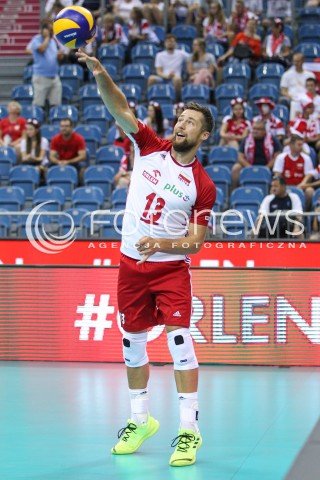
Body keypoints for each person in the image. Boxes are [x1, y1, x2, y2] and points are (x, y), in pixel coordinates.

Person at [77, 48, 216, 467]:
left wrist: (161, 245)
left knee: (179, 341)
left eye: (191, 122)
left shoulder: (202, 185)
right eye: (180, 119)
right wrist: (101, 73)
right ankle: (141, 419)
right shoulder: (150, 146)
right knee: (131, 345)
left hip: (170, 270)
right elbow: (118, 106)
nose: (181, 125)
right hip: (129, 266)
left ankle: (189, 431)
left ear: (203, 136)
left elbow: (195, 243)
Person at [232, 119, 282, 189]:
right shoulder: (246, 139)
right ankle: (235, 191)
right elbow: (240, 157)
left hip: (268, 166)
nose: (255, 131)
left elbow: (277, 157)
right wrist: (249, 167)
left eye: (258, 129)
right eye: (254, 128)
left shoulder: (273, 140)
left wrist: (266, 167)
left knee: (279, 170)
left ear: (264, 131)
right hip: (249, 164)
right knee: (236, 168)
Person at [273, 134, 314, 208]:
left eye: (302, 145)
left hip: (301, 187)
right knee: (275, 188)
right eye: (299, 145)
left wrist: (302, 184)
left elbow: (309, 176)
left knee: (310, 191)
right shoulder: (281, 157)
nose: (301, 147)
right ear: (291, 145)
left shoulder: (306, 158)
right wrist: (283, 187)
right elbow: (277, 176)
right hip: (285, 187)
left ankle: (305, 212)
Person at [29, 20, 63, 109]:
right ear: (44, 30)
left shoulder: (53, 41)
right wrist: (47, 37)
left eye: (53, 30)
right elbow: (41, 49)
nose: (52, 32)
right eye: (50, 30)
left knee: (56, 105)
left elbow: (55, 57)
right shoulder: (36, 39)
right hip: (41, 77)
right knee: (38, 105)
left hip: (54, 77)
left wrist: (59, 56)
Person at [147, 34, 189, 100]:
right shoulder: (160, 55)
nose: (170, 43)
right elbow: (159, 71)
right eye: (168, 41)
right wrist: (167, 76)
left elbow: (192, 58)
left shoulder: (181, 54)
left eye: (172, 41)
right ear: (165, 43)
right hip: (163, 78)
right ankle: (150, 100)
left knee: (177, 79)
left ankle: (177, 100)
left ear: (175, 43)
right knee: (151, 78)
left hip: (175, 77)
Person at [49, 118, 86, 182]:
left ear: (71, 127)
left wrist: (68, 162)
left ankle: (79, 188)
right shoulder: (55, 139)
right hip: (60, 162)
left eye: (66, 126)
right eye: (62, 126)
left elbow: (82, 156)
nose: (64, 128)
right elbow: (51, 156)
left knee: (82, 170)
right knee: (47, 169)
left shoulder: (79, 138)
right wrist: (58, 162)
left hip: (74, 162)